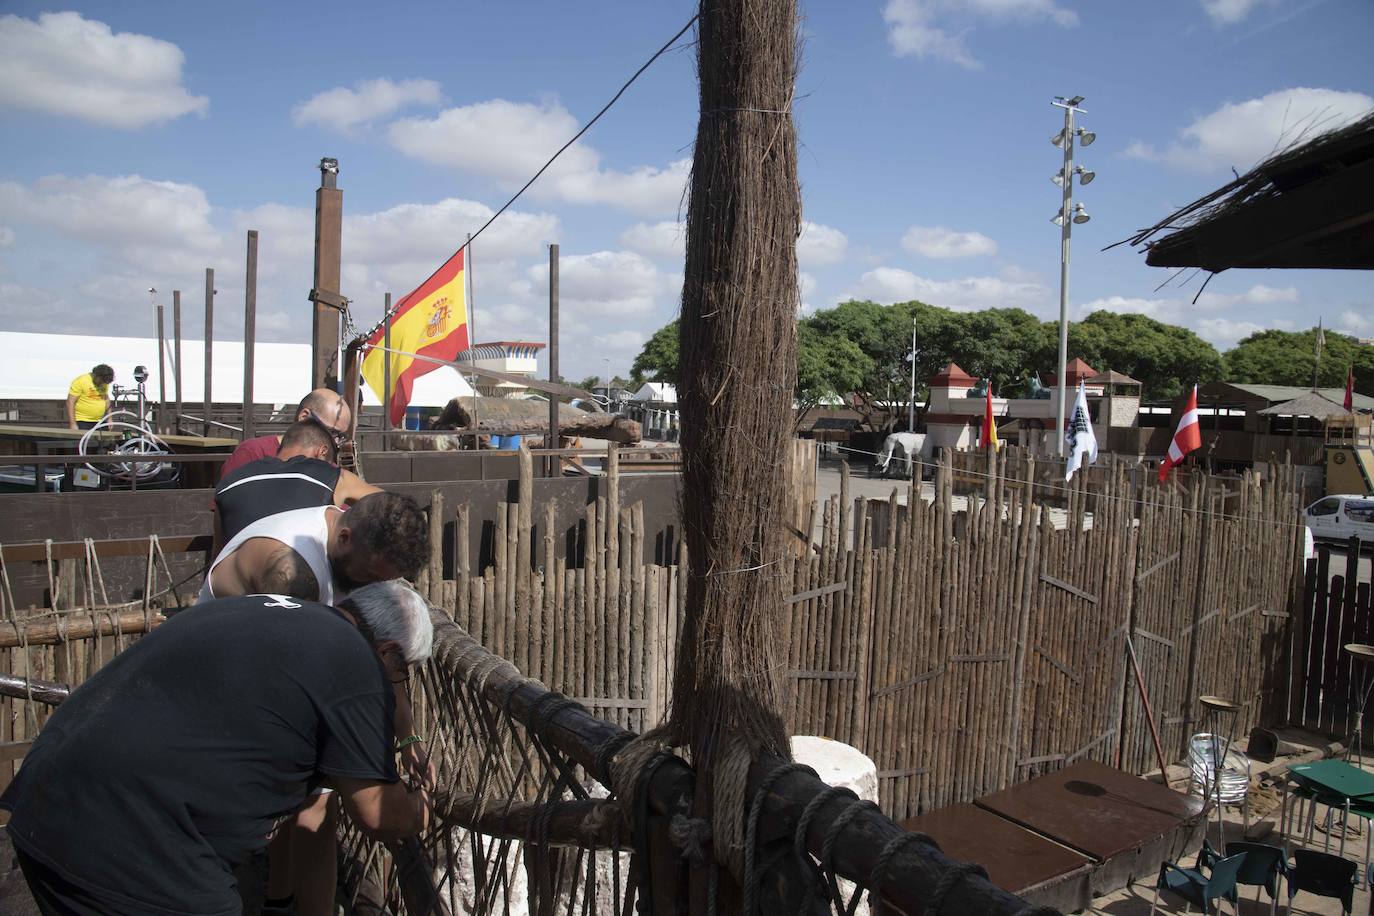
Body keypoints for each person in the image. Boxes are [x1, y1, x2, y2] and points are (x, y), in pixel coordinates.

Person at [0, 581, 433, 916]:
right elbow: (378, 813)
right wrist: (423, 808)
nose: (397, 685)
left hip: (47, 801)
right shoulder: (355, 664)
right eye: (402, 672)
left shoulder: (270, 610)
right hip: (128, 839)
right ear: (386, 653)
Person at [197, 491, 429, 916]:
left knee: (312, 792)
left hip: (270, 670)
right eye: (367, 577)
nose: (367, 587)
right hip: (226, 681)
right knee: (317, 801)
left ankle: (279, 899)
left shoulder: (357, 551)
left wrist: (407, 735)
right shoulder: (292, 574)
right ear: (345, 538)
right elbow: (305, 675)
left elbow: (376, 644)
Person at [214, 419, 383, 546]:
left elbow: (218, 551)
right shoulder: (331, 477)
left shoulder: (230, 482)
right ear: (321, 452)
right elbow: (388, 504)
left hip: (231, 580)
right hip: (299, 577)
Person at [220, 388, 352, 479]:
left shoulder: (328, 468)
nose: (335, 442)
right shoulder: (253, 453)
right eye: (332, 432)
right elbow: (226, 505)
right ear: (304, 417)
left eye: (340, 437)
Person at [65, 364, 114, 430]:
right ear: (96, 376)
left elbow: (106, 399)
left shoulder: (104, 382)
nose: (103, 383)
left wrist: (109, 418)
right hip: (82, 421)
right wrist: (73, 424)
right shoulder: (81, 381)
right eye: (101, 381)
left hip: (99, 421)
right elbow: (70, 402)